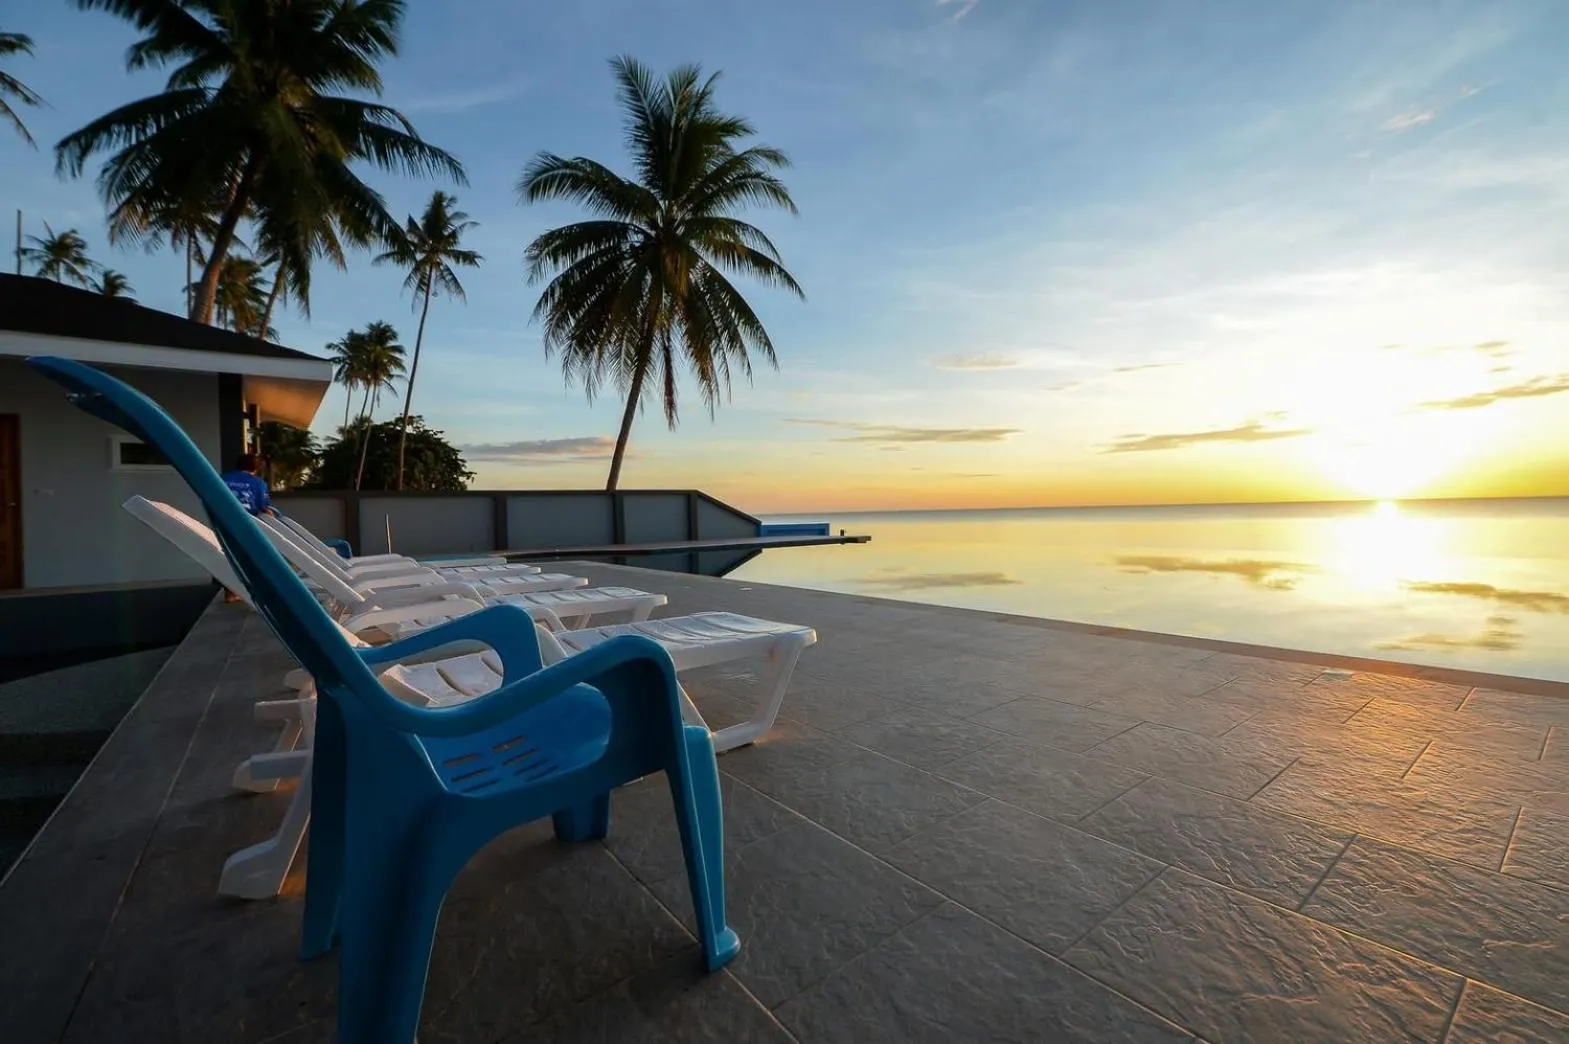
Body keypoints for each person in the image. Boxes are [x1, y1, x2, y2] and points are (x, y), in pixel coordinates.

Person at [219, 452, 273, 602]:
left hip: (224, 522)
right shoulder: (258, 483)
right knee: (251, 558)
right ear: (256, 468)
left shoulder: (222, 479)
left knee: (230, 556)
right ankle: (255, 590)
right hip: (247, 525)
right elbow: (264, 508)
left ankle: (230, 592)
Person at [221, 452, 274, 517]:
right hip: (248, 521)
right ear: (256, 466)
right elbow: (264, 507)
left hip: (222, 517)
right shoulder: (259, 483)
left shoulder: (221, 478)